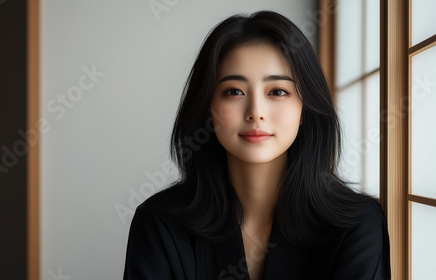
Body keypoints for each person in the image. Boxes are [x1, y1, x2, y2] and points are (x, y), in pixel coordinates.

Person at [123, 10, 391, 280]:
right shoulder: (159, 223)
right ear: (207, 108)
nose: (256, 112)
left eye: (277, 91)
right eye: (234, 92)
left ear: (305, 110)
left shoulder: (356, 224)